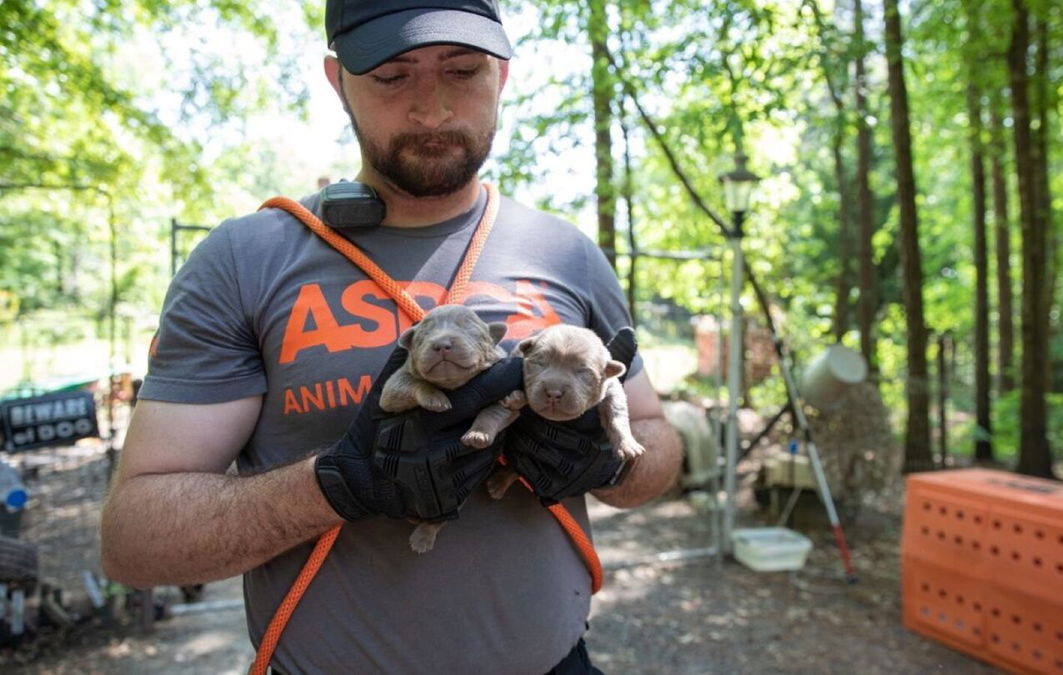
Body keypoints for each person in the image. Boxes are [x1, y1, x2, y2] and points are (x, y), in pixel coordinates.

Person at [99, 0, 683, 672]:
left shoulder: (567, 254)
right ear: (336, 79)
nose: (432, 108)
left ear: (503, 75)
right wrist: (337, 483)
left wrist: (613, 463)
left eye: (462, 70)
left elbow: (655, 437)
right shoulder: (247, 259)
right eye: (391, 75)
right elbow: (133, 542)